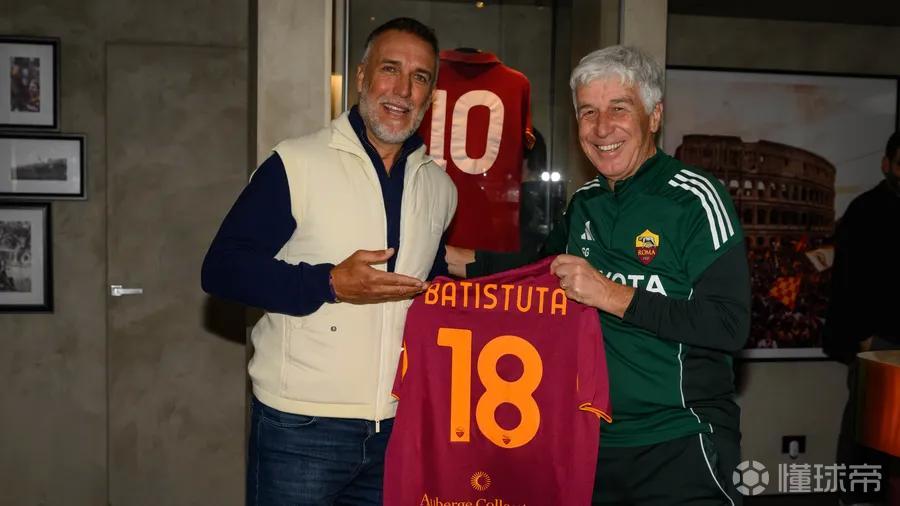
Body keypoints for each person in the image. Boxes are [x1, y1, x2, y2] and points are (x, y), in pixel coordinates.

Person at [448, 45, 750, 505]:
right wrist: (440, 261)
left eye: (619, 109)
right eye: (588, 112)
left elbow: (729, 325)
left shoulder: (695, 198)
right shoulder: (584, 202)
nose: (602, 127)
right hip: (591, 442)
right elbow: (535, 273)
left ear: (654, 116)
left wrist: (611, 294)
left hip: (680, 441)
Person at [201, 17, 456, 505]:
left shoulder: (441, 188)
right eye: (390, 69)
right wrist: (329, 283)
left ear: (431, 95)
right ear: (361, 76)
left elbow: (432, 285)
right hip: (300, 427)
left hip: (399, 429)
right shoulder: (296, 164)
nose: (403, 90)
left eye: (420, 77)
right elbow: (222, 268)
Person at [823, 131, 900, 506]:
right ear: (887, 164)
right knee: (868, 431)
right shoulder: (865, 210)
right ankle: (855, 498)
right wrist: (865, 338)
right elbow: (847, 281)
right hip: (879, 342)